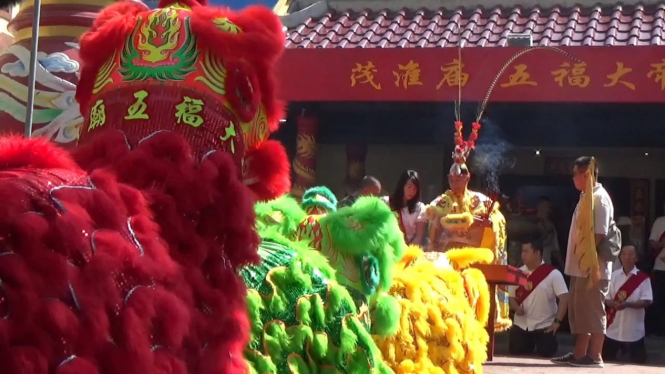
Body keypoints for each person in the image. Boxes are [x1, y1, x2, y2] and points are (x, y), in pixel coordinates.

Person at [426, 121, 511, 331]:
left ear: (467, 177)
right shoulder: (439, 202)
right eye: (452, 178)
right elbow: (432, 229)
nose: (455, 181)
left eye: (459, 177)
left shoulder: (480, 201)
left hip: (474, 260)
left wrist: (487, 223)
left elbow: (497, 221)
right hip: (449, 260)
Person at [552, 156, 615, 368]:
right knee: (580, 314)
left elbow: (599, 234)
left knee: (594, 312)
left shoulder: (599, 198)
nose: (573, 178)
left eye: (575, 174)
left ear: (586, 174)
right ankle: (579, 354)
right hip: (580, 267)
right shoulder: (586, 196)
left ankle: (595, 355)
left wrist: (585, 259)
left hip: (592, 267)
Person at [508, 238, 569, 357]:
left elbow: (564, 298)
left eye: (526, 252)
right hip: (522, 324)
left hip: (543, 325)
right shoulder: (517, 273)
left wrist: (557, 322)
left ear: (537, 253)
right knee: (516, 350)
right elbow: (511, 297)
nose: (523, 255)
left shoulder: (553, 274)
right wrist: (516, 308)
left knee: (547, 351)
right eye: (522, 252)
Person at [603, 244, 652, 363]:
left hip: (634, 331)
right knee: (606, 359)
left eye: (631, 255)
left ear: (636, 258)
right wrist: (614, 304)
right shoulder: (613, 276)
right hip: (613, 329)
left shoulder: (643, 279)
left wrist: (627, 304)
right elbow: (605, 298)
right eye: (624, 254)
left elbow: (647, 300)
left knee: (639, 362)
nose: (627, 257)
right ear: (620, 257)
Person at [381, 170, 427, 246]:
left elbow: (418, 236)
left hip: (409, 248)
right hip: (388, 247)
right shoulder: (386, 202)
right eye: (409, 187)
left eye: (415, 188)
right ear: (402, 185)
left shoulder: (419, 208)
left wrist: (407, 253)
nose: (412, 191)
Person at [647, 210, 665, 337]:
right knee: (659, 301)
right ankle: (658, 331)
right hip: (660, 267)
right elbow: (652, 243)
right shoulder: (660, 221)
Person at [536, 196, 564, 266]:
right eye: (543, 206)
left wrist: (563, 267)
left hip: (546, 266)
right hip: (530, 267)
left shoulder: (550, 226)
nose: (546, 209)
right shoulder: (530, 225)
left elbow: (555, 250)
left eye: (547, 207)